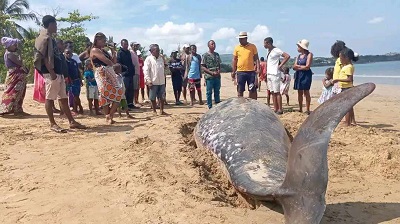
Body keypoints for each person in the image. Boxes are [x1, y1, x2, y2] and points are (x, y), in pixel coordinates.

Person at [34, 15, 86, 132]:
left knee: (63, 98)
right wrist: (51, 72)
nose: (56, 27)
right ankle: (53, 124)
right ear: (51, 24)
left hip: (58, 73)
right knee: (50, 98)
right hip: (51, 73)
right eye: (55, 24)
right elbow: (44, 57)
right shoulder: (44, 38)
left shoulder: (50, 38)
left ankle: (72, 122)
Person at [90, 32, 123, 124]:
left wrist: (113, 51)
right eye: (103, 40)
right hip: (101, 72)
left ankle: (109, 115)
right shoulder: (95, 50)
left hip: (109, 72)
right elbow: (108, 62)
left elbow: (113, 61)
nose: (105, 42)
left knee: (118, 93)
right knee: (104, 94)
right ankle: (108, 116)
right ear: (98, 40)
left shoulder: (103, 51)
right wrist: (113, 64)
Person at [0, 37, 29, 116]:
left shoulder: (10, 53)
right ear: (9, 46)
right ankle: (10, 109)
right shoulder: (9, 54)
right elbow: (19, 63)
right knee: (13, 92)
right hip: (15, 75)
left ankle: (17, 109)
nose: (16, 46)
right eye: (14, 45)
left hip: (16, 75)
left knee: (18, 92)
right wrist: (20, 56)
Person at [264, 37, 290, 114]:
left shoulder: (276, 50)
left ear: (269, 43)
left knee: (277, 92)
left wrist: (280, 65)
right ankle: (275, 108)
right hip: (269, 74)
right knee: (272, 92)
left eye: (265, 43)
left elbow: (287, 56)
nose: (264, 45)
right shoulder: (269, 51)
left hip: (275, 74)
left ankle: (280, 109)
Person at [333, 48, 359, 126]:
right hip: (344, 87)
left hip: (347, 88)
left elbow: (349, 79)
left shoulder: (349, 67)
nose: (340, 60)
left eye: (341, 58)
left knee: (346, 106)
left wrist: (337, 79)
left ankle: (348, 122)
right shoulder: (346, 66)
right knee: (348, 106)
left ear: (346, 58)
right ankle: (349, 121)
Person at [232, 32, 260, 100]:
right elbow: (234, 60)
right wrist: (233, 71)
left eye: (242, 39)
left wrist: (258, 68)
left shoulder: (252, 46)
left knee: (252, 89)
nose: (240, 40)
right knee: (240, 90)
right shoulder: (237, 48)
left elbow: (256, 58)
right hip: (240, 72)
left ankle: (253, 104)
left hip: (251, 72)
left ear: (246, 38)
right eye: (239, 39)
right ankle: (240, 104)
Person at [144, 44, 167, 115]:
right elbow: (146, 70)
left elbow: (164, 68)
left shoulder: (161, 58)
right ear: (152, 51)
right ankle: (154, 111)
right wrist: (148, 81)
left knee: (162, 97)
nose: (158, 52)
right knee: (152, 97)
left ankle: (161, 110)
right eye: (156, 50)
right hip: (153, 82)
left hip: (162, 81)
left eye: (159, 50)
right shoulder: (148, 59)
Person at [293, 39, 313, 115]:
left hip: (306, 75)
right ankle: (300, 108)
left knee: (306, 91)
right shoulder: (298, 56)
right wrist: (301, 67)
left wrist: (298, 66)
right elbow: (294, 67)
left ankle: (307, 109)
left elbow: (307, 66)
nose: (297, 48)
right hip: (299, 74)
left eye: (298, 46)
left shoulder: (309, 54)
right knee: (299, 92)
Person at [201, 40, 221, 109]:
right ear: (208, 46)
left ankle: (217, 105)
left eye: (214, 44)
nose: (213, 45)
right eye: (212, 44)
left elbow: (219, 64)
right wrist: (211, 73)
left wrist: (218, 71)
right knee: (209, 92)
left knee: (217, 91)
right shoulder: (205, 55)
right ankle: (210, 107)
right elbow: (203, 66)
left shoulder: (217, 55)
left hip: (217, 76)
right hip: (209, 76)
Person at [117, 39, 136, 110]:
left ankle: (130, 103)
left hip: (130, 73)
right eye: (125, 44)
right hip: (124, 74)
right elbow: (118, 63)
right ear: (122, 44)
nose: (126, 46)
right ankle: (124, 105)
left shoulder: (128, 52)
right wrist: (124, 68)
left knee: (131, 89)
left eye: (127, 44)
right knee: (125, 90)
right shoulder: (120, 53)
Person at [64, 48, 84, 114]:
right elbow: (66, 72)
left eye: (70, 53)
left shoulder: (74, 61)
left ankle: (78, 108)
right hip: (70, 81)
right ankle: (77, 108)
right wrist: (70, 80)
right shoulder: (65, 62)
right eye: (67, 53)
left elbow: (78, 71)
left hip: (77, 80)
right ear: (64, 53)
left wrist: (80, 79)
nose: (69, 54)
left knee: (77, 95)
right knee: (74, 96)